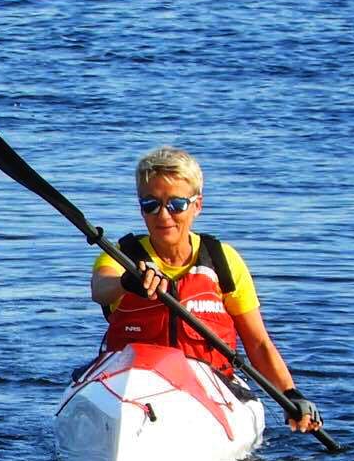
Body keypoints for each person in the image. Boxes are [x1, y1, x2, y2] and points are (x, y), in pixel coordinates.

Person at [89, 145, 323, 433]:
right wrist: (127, 282)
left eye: (175, 204)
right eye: (151, 205)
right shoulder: (121, 256)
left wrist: (290, 394)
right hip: (131, 382)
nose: (163, 216)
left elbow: (258, 343)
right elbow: (100, 288)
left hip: (208, 384)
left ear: (197, 205)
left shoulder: (223, 261)